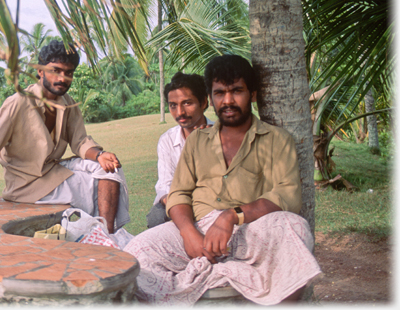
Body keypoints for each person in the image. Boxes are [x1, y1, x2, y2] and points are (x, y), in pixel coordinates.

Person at [124, 54, 321, 305]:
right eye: (220, 93)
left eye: (237, 90)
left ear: (253, 94)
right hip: (198, 231)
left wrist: (231, 216)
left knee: (295, 228)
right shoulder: (197, 141)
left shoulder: (275, 139)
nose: (228, 101)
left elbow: (287, 195)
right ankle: (216, 275)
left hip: (250, 231)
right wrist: (187, 232)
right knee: (136, 253)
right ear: (211, 98)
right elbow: (179, 193)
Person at [0, 40, 130, 234]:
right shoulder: (18, 103)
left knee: (109, 169)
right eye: (55, 71)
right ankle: (105, 236)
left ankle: (107, 235)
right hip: (26, 185)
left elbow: (80, 141)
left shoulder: (67, 101)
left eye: (68, 73)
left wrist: (100, 154)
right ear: (40, 72)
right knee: (88, 184)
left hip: (52, 171)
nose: (61, 78)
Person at [146, 72, 212, 228]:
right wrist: (179, 208)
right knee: (156, 218)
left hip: (212, 201)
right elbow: (164, 185)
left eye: (187, 103)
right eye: (173, 105)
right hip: (177, 200)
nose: (180, 112)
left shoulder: (220, 134)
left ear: (203, 102)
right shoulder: (167, 140)